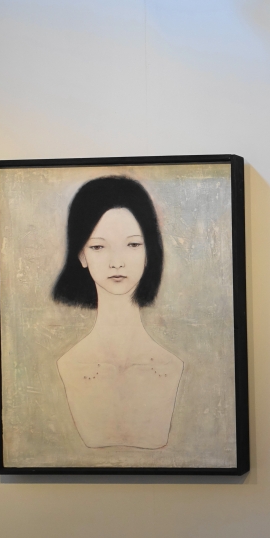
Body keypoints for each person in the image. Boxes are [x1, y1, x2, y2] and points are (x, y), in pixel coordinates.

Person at [52, 176, 183, 448]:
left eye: (133, 244)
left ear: (149, 253)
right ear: (81, 255)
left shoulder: (171, 367)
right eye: (98, 246)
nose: (116, 262)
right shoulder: (70, 365)